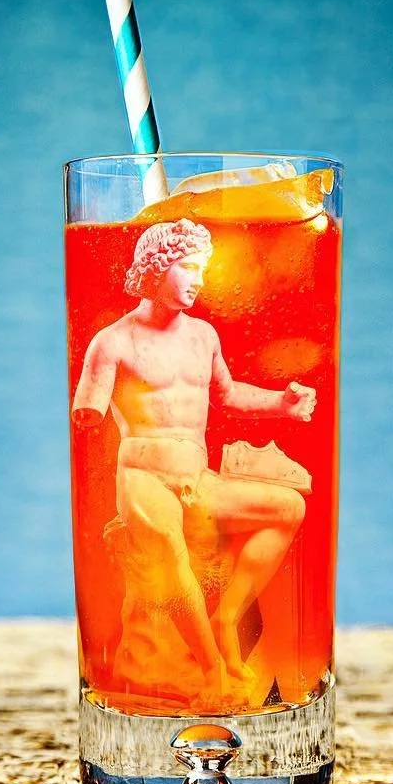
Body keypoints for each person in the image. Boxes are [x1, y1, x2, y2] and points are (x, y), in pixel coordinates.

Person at [72, 218, 315, 707]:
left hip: (196, 475)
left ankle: (226, 620)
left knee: (288, 507)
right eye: (187, 266)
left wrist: (279, 405)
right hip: (142, 475)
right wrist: (88, 413)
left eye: (202, 268)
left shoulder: (203, 336)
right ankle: (211, 669)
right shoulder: (112, 342)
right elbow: (88, 405)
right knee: (167, 543)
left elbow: (227, 394)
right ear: (157, 268)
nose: (198, 278)